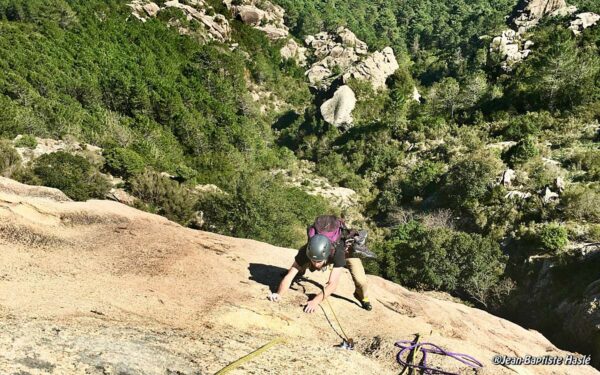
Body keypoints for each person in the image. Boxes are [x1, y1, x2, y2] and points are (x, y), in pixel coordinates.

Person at [268, 215, 372, 313]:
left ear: (327, 256)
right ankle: (301, 271)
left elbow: (333, 284)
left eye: (319, 262)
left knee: (361, 281)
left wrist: (315, 301)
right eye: (314, 261)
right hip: (318, 252)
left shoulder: (338, 254)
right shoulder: (306, 251)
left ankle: (363, 297)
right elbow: (290, 275)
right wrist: (278, 294)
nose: (317, 265)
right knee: (299, 265)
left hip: (347, 252)